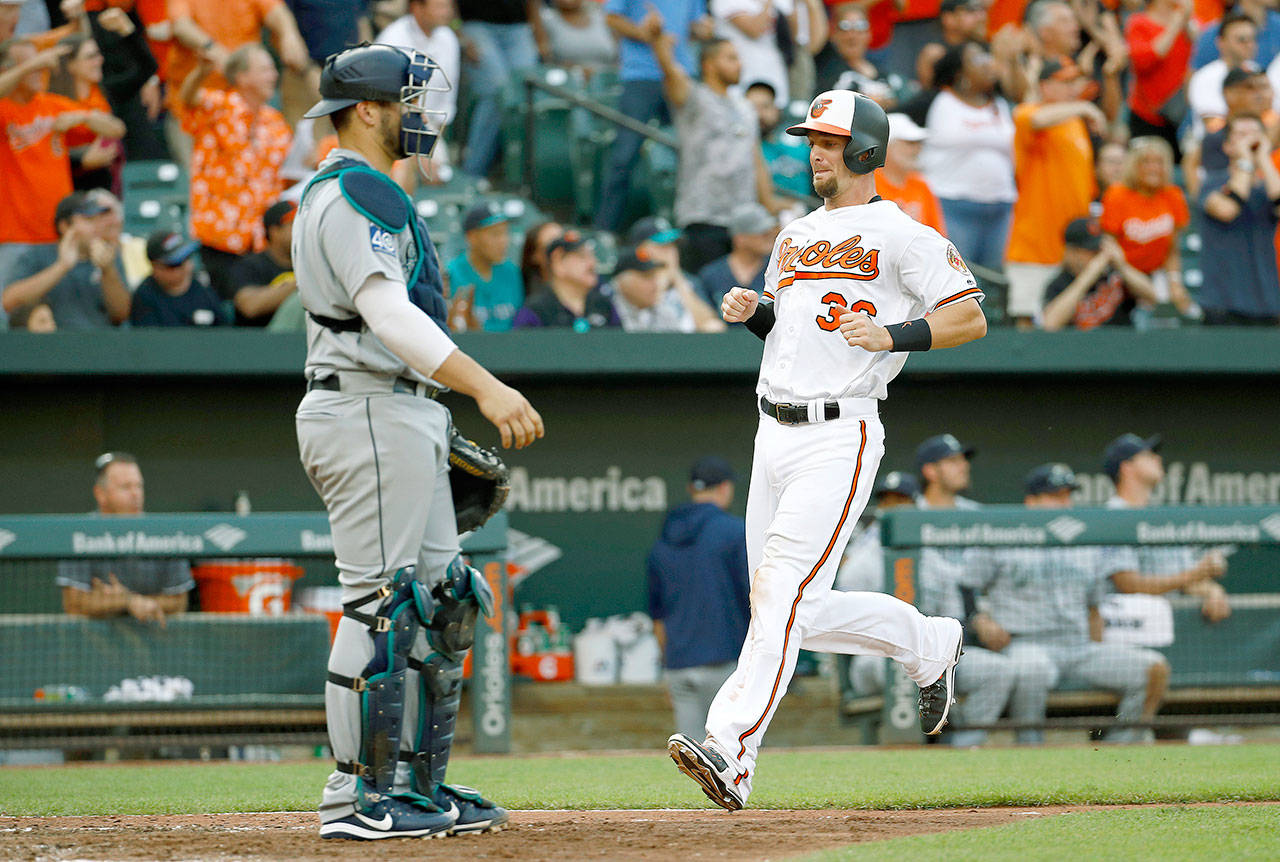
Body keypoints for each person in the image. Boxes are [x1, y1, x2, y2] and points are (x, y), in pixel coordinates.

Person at [668, 90, 986, 812]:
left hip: (840, 432)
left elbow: (969, 316)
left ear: (866, 149)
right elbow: (793, 329)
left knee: (781, 591)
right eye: (811, 138)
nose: (815, 150)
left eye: (831, 140)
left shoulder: (902, 232)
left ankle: (730, 748)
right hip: (771, 429)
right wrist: (759, 315)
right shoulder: (793, 234)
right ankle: (926, 642)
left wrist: (896, 336)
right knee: (785, 607)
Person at [293, 42, 543, 839]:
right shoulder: (353, 191)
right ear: (367, 110)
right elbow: (388, 314)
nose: (418, 114)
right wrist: (485, 384)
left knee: (443, 600)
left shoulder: (372, 189)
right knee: (379, 606)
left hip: (397, 409)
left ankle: (412, 784)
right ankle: (352, 796)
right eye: (406, 100)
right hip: (366, 404)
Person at [960, 464, 1171, 745]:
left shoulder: (1084, 542)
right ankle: (1029, 752)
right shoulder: (1005, 536)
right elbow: (966, 585)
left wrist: (1099, 650)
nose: (1064, 503)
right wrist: (980, 619)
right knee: (1030, 670)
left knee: (1153, 668)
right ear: (1031, 501)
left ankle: (1119, 751)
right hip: (1027, 645)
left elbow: (1094, 608)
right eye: (1054, 496)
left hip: (1079, 648)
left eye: (1067, 495)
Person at [645, 29, 785, 273]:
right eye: (730, 58)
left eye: (738, 58)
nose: (739, 64)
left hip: (743, 219)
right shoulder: (695, 99)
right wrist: (659, 46)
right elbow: (671, 75)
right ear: (709, 64)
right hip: (704, 216)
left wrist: (769, 204)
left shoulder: (745, 107)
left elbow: (756, 161)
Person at [0, 38, 124, 288]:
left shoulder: (51, 105)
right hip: (13, 237)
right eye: (30, 65)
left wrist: (83, 116)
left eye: (41, 64)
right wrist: (30, 65)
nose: (40, 70)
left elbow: (116, 129)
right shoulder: (4, 109)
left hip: (61, 236)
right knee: (7, 316)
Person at [647, 455, 751, 740]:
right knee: (733, 752)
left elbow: (658, 618)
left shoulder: (664, 539)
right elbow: (753, 596)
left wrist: (668, 664)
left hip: (679, 664)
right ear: (724, 488)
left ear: (692, 489)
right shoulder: (733, 531)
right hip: (725, 662)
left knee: (693, 758)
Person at [178, 44, 292, 300]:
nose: (273, 75)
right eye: (265, 69)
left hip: (261, 240)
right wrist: (200, 72)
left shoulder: (275, 121)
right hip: (221, 237)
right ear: (242, 77)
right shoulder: (218, 106)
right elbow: (187, 98)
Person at [594, 0, 709, 232]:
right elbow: (611, 18)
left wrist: (703, 30)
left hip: (681, 75)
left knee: (695, 153)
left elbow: (695, 24)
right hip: (641, 75)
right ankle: (604, 232)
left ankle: (689, 230)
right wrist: (644, 33)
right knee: (624, 156)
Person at [1004, 58, 1103, 328]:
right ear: (1045, 86)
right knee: (1026, 326)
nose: (1073, 88)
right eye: (1065, 82)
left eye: (1075, 82)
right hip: (1034, 246)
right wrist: (1082, 106)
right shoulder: (1030, 112)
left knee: (1065, 325)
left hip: (1071, 250)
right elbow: (1034, 118)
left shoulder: (1075, 124)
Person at [1102, 434, 1231, 625]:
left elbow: (1184, 580)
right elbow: (1127, 584)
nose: (1158, 459)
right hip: (1126, 628)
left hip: (1167, 628)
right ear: (1126, 467)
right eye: (1147, 455)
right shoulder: (1114, 515)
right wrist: (1195, 574)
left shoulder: (1158, 518)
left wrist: (1213, 591)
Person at [57, 452, 192, 626]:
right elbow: (73, 604)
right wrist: (128, 602)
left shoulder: (163, 532)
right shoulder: (80, 532)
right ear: (100, 494)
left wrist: (125, 600)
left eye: (139, 486)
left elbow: (179, 602)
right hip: (94, 646)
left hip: (156, 642)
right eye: (126, 487)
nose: (136, 494)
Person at [920, 41, 1016, 274]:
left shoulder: (1000, 106)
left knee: (993, 286)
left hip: (1000, 208)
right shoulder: (938, 101)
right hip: (954, 206)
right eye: (976, 59)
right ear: (960, 71)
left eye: (987, 58)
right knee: (957, 280)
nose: (986, 64)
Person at [1, 191, 130, 329]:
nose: (97, 226)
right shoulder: (37, 254)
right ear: (65, 226)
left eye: (99, 219)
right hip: (53, 344)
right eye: (89, 220)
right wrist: (61, 266)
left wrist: (108, 271)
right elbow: (10, 302)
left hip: (100, 343)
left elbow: (122, 314)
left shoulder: (110, 255)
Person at [1197, 113, 1280, 324]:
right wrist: (1245, 162)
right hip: (1223, 303)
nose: (1249, 140)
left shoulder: (1267, 188)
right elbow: (1227, 210)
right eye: (1241, 135)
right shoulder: (1213, 183)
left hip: (1267, 303)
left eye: (1255, 134)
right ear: (1227, 146)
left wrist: (1264, 159)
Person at [1099, 137, 1193, 315]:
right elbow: (1108, 244)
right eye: (1146, 162)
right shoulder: (1117, 194)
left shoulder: (1172, 195)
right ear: (1133, 165)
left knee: (1177, 307)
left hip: (1156, 273)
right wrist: (1132, 280)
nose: (1153, 168)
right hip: (1120, 273)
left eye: (1159, 162)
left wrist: (1174, 282)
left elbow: (1172, 249)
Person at [457, 0, 545, 178]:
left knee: (526, 94)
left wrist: (541, 36)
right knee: (497, 92)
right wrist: (458, 33)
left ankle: (521, 175)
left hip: (518, 27)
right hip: (476, 24)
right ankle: (472, 174)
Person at [1041, 217, 1157, 330]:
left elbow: (1152, 296)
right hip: (1081, 346)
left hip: (1121, 343)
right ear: (1071, 252)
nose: (1099, 256)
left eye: (1100, 249)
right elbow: (1051, 324)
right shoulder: (1058, 283)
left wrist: (1122, 266)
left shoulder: (1115, 273)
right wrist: (1087, 277)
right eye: (1091, 251)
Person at [1124, 0, 1196, 160]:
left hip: (1181, 113)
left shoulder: (1184, 20)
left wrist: (1187, 20)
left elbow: (1200, 47)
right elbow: (1145, 60)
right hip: (1148, 115)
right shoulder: (1138, 22)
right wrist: (1175, 23)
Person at [511, 229, 620, 329]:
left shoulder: (603, 305)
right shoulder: (535, 311)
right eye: (582, 256)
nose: (592, 263)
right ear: (558, 262)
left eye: (592, 256)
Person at [443, 201, 524, 332]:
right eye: (496, 234)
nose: (504, 241)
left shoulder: (511, 272)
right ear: (472, 237)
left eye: (506, 233)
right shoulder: (451, 273)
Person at [129, 230, 226, 326]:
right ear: (156, 267)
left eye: (187, 257)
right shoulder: (145, 296)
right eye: (176, 264)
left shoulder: (204, 290)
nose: (185, 266)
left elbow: (224, 332)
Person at [226, 200, 298, 327]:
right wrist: (301, 282)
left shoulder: (307, 263)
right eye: (293, 224)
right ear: (274, 231)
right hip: (259, 340)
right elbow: (250, 306)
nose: (300, 230)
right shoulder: (250, 265)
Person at [1188, 13, 1259, 140]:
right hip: (1214, 146)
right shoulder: (1205, 77)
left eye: (1252, 39)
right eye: (1241, 40)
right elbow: (1213, 124)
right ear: (1222, 42)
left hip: (1255, 142)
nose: (1249, 45)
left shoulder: (1257, 71)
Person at [875, 113, 945, 235]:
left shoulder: (921, 185)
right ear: (886, 147)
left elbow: (937, 236)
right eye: (909, 143)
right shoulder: (866, 184)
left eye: (918, 143)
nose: (917, 149)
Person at [696, 202, 775, 309]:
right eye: (763, 233)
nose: (770, 236)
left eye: (770, 231)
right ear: (740, 238)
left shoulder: (779, 270)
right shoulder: (712, 275)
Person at [607, 245, 700, 331]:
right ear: (620, 280)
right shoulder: (606, 308)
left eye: (655, 276)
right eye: (646, 276)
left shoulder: (663, 311)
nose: (655, 283)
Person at [540, 0, 619, 73]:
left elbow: (618, 56)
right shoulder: (546, 19)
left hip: (608, 81)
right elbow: (545, 56)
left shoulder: (601, 17)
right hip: (564, 83)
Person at [916, 433, 979, 510]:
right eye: (953, 460)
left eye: (964, 460)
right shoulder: (908, 511)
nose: (964, 466)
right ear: (930, 471)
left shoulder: (976, 513)